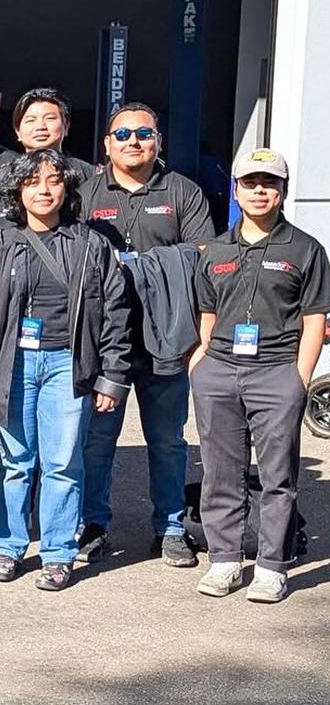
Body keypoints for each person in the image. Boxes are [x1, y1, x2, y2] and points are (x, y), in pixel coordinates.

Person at [0, 149, 132, 591]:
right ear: (18, 191)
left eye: (53, 181)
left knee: (62, 463)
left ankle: (58, 553)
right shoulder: (0, 246)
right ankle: (8, 545)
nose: (43, 190)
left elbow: (115, 314)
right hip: (13, 364)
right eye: (33, 182)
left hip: (67, 365)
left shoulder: (91, 244)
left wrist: (112, 376)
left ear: (67, 189)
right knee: (15, 461)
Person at [76, 102, 216, 567]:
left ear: (158, 140)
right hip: (105, 343)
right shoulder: (86, 193)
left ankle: (170, 528)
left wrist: (139, 265)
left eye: (143, 133)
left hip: (167, 339)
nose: (132, 142)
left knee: (168, 441)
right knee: (97, 441)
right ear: (107, 144)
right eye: (122, 134)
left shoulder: (183, 191)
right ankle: (93, 524)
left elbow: (202, 257)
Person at [189, 148, 329, 603]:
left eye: (269, 183)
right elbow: (207, 312)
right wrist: (201, 361)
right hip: (220, 371)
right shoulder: (216, 249)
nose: (260, 191)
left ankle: (272, 566)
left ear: (283, 191)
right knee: (220, 472)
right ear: (236, 190)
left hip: (276, 371)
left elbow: (314, 319)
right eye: (250, 183)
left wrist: (300, 378)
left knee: (277, 477)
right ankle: (225, 559)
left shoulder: (306, 249)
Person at [0, 88, 96, 226]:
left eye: (50, 118)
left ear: (66, 127)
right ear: (17, 131)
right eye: (31, 120)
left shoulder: (88, 175)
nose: (41, 126)